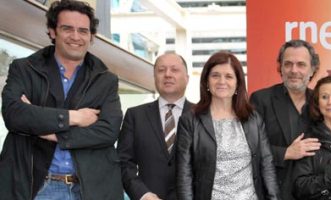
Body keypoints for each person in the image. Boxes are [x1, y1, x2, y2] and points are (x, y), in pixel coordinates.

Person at [0, 0, 123, 199]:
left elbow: (108, 131)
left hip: (87, 191)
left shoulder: (106, 80)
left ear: (91, 37)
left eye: (83, 31)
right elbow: (14, 114)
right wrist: (74, 117)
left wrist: (49, 132)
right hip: (36, 188)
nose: (76, 37)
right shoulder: (24, 69)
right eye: (67, 29)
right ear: (52, 31)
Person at [175, 52, 279, 200]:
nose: (221, 81)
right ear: (206, 81)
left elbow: (266, 165)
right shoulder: (190, 121)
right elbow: (184, 175)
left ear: (238, 83)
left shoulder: (253, 118)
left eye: (229, 76)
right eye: (215, 75)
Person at [250, 39, 321, 200]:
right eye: (288, 64)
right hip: (274, 193)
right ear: (280, 68)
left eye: (301, 64)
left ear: (312, 69)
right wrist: (286, 153)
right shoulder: (261, 100)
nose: (293, 70)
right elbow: (249, 147)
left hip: (315, 193)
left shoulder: (322, 102)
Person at [118, 52, 192, 200]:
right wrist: (143, 194)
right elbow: (123, 163)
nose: (168, 74)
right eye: (161, 70)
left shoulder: (203, 117)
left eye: (174, 70)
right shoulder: (135, 116)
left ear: (187, 78)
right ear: (155, 78)